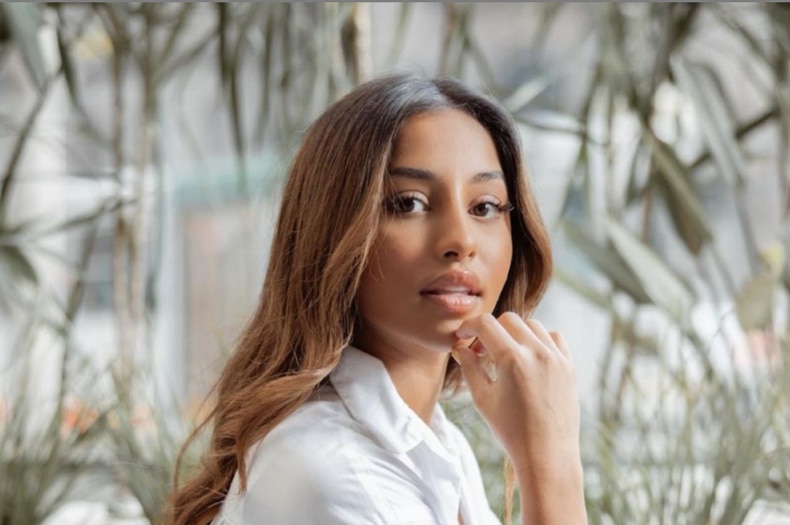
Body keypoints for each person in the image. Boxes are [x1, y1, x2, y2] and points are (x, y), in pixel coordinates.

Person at [166, 74, 587, 525]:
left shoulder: (438, 448)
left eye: (484, 207)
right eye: (409, 203)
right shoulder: (333, 474)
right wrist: (552, 464)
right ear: (333, 232)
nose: (461, 241)